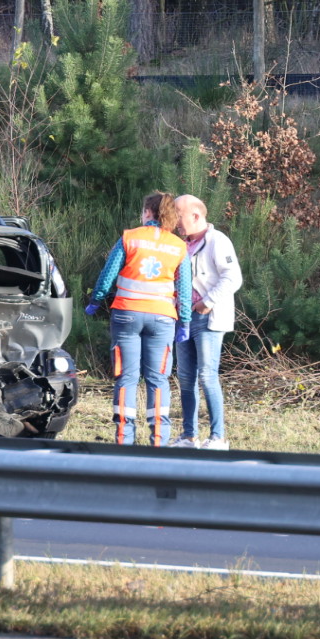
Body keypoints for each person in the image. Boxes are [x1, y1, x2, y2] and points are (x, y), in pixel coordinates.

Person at [85, 191, 191, 446]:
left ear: (147, 213)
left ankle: (124, 440)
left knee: (127, 378)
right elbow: (184, 289)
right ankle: (159, 442)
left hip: (127, 315)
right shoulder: (179, 247)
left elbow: (108, 274)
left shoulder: (129, 238)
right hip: (163, 319)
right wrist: (184, 321)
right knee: (158, 379)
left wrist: (96, 300)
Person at [172, 194, 242, 450]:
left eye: (178, 215)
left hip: (208, 319)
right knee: (186, 377)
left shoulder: (217, 241)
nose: (176, 222)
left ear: (195, 215)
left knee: (207, 376)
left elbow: (233, 278)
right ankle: (189, 437)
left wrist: (207, 302)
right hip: (183, 319)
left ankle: (218, 438)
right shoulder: (182, 245)